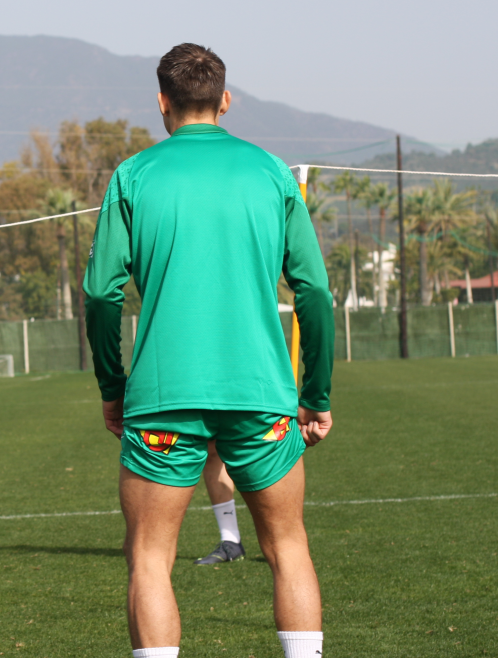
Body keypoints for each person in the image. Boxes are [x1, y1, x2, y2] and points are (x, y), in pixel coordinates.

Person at [84, 44, 334, 658]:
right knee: (289, 547)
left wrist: (113, 388)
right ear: (225, 100)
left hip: (163, 398)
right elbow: (314, 291)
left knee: (150, 558)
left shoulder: (133, 175)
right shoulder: (271, 172)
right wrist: (316, 395)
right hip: (261, 395)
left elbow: (100, 294)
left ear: (161, 102)